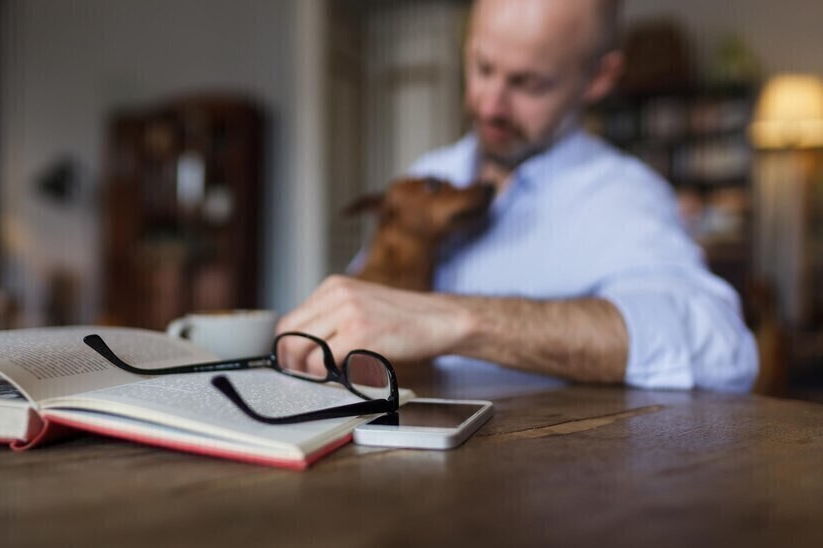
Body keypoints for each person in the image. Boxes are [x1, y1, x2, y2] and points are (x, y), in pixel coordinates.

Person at [277, 0, 758, 392]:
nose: (489, 104)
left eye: (528, 83)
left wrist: (460, 320)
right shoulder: (429, 175)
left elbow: (724, 349)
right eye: (482, 66)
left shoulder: (626, 197)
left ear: (599, 78)